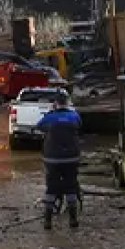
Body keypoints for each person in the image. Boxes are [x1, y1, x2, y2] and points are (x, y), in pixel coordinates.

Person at [36, 93, 82, 230]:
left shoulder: (50, 117)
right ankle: (73, 219)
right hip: (71, 158)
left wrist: (51, 112)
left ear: (55, 103)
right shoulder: (74, 116)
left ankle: (47, 221)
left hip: (52, 159)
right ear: (67, 103)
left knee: (51, 187)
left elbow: (39, 126)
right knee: (71, 186)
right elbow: (79, 125)